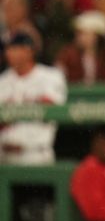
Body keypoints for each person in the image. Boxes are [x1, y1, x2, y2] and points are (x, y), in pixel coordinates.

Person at [0, 32, 66, 165]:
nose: (8, 53)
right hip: (4, 155)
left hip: (35, 155)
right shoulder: (2, 80)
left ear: (28, 51)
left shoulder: (50, 76)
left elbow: (49, 108)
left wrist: (12, 111)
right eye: (8, 49)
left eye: (14, 48)